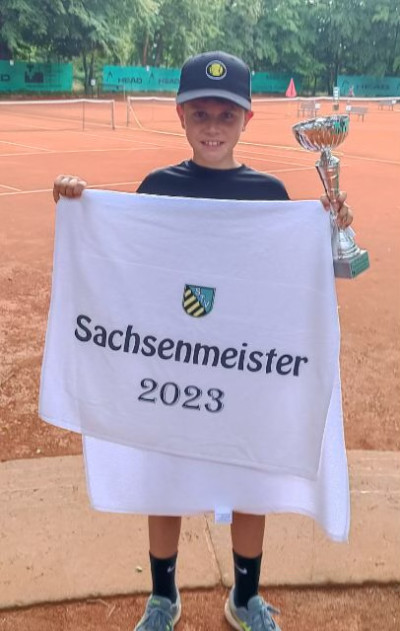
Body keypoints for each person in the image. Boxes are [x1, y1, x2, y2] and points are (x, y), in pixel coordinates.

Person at [53, 51, 353, 631]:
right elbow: (127, 268)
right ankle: (162, 597)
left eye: (226, 115)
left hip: (244, 372)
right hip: (175, 369)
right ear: (181, 116)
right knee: (163, 480)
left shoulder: (269, 193)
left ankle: (245, 597)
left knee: (251, 479)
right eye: (201, 114)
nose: (213, 127)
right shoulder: (157, 188)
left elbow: (295, 283)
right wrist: (79, 209)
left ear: (247, 120)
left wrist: (327, 230)